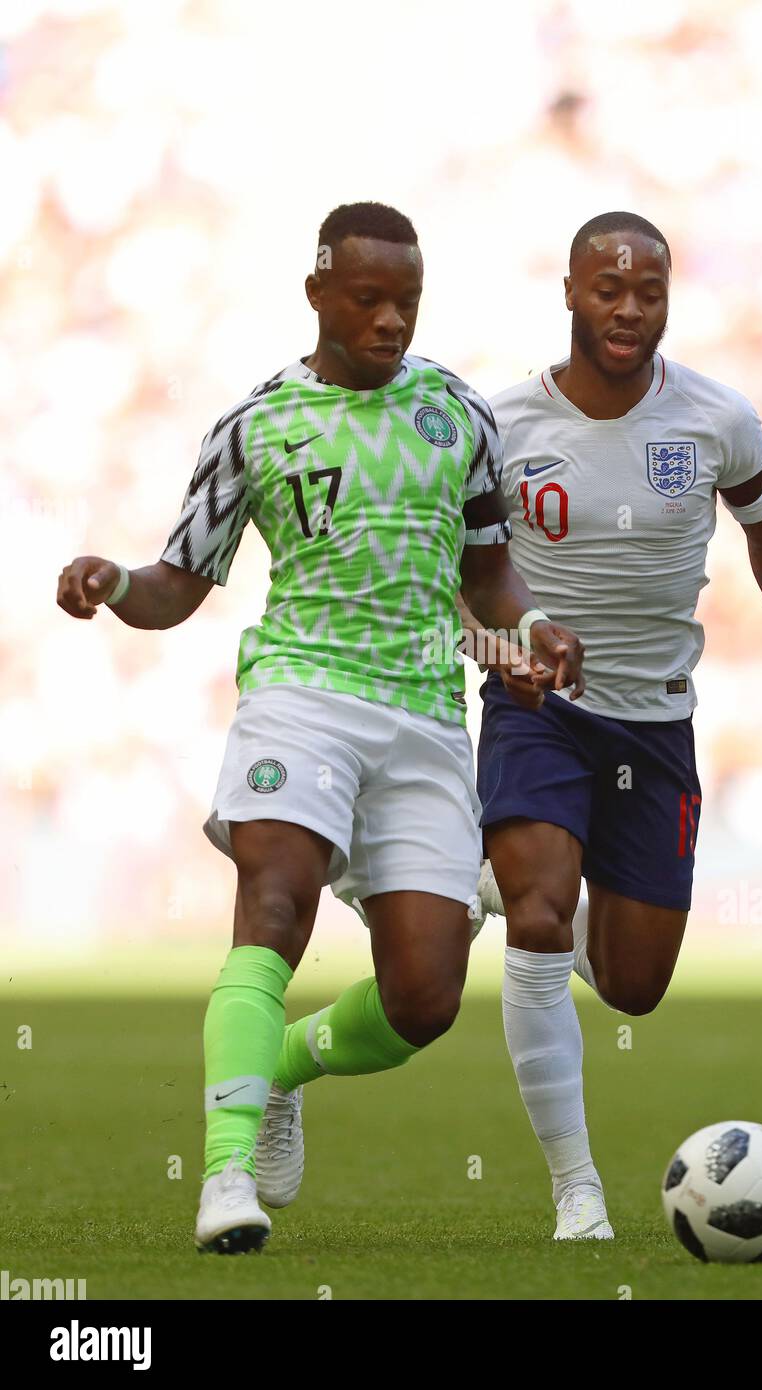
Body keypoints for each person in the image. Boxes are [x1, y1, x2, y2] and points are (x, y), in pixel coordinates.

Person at [56, 201, 583, 1254]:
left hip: (426, 712)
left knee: (424, 997)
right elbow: (177, 582)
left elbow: (486, 574)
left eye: (407, 302)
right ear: (317, 296)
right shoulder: (254, 425)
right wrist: (115, 582)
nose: (391, 321)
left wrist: (524, 626)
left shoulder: (459, 417)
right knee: (274, 903)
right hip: (300, 694)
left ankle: (283, 1068)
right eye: (369, 300)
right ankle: (223, 1177)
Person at [469, 210, 762, 1242]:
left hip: (655, 725)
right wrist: (507, 648)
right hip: (537, 709)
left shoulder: (717, 419)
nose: (627, 309)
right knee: (546, 918)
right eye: (606, 289)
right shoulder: (500, 424)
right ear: (567, 292)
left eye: (647, 292)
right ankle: (575, 1191)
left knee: (633, 985)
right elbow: (462, 579)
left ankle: (487, 883)